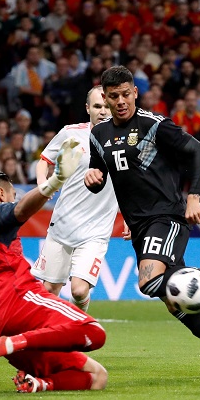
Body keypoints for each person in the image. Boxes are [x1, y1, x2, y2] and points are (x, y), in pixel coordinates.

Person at [83, 66, 200, 378]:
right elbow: (100, 178)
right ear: (106, 97)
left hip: (166, 217)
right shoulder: (98, 135)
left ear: (135, 93)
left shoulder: (154, 125)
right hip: (139, 228)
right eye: (113, 96)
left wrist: (194, 197)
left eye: (126, 94)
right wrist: (93, 178)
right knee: (177, 303)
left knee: (148, 283)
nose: (120, 101)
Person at [0, 142, 109, 393]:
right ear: (1, 194)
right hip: (20, 301)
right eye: (13, 194)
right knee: (94, 332)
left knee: (98, 376)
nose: (13, 199)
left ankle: (38, 383)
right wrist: (55, 181)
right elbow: (20, 210)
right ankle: (12, 343)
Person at [31, 86, 118, 312]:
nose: (103, 111)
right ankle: (53, 330)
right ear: (88, 108)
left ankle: (77, 322)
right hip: (63, 225)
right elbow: (44, 161)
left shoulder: (124, 140)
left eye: (107, 106)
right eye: (97, 106)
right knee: (49, 289)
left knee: (79, 290)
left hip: (96, 229)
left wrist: (130, 217)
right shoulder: (70, 133)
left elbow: (132, 183)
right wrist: (43, 184)